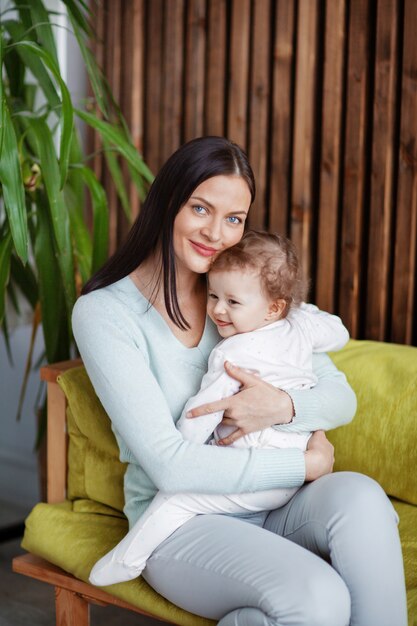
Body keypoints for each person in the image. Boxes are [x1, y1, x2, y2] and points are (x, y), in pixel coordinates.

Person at [72, 137, 407, 626]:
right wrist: (302, 466)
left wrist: (280, 407)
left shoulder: (245, 293)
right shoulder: (105, 314)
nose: (216, 232)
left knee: (362, 498)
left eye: (234, 219)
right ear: (168, 203)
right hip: (182, 520)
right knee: (318, 597)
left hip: (274, 507)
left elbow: (340, 399)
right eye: (200, 208)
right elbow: (169, 465)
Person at [88, 230, 351, 587]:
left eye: (232, 302)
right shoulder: (298, 328)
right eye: (212, 295)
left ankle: (128, 557)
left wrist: (183, 445)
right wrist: (303, 315)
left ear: (274, 306)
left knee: (175, 502)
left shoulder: (233, 352)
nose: (217, 310)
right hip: (291, 473)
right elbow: (339, 334)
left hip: (258, 475)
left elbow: (203, 410)